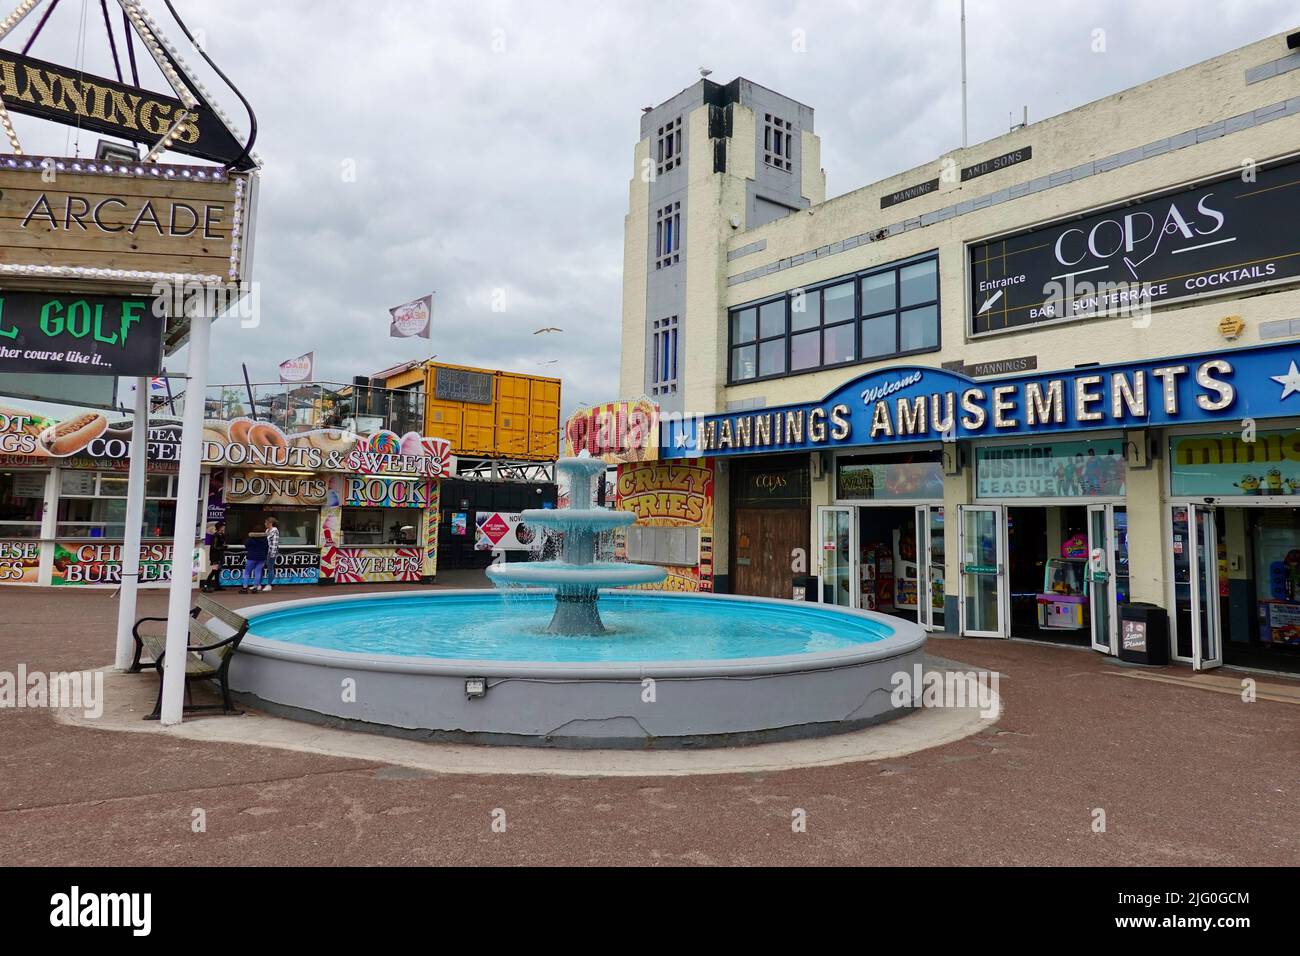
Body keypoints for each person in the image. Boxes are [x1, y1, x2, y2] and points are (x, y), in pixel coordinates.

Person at [240, 523, 268, 594]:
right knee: (258, 572)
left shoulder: (251, 539)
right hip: (261, 557)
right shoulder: (265, 539)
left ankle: (244, 588)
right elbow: (266, 548)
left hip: (251, 557)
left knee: (247, 572)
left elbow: (246, 545)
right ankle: (255, 588)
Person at [202, 521, 227, 593]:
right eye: (223, 526)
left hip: (219, 555)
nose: (224, 527)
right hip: (215, 556)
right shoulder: (215, 535)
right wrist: (223, 547)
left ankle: (217, 585)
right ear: (219, 527)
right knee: (214, 570)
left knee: (217, 571)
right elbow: (214, 547)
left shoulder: (221, 535)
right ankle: (206, 584)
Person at [259, 516, 280, 592]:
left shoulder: (275, 531)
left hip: (271, 552)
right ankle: (258, 584)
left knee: (270, 568)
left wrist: (272, 554)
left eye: (266, 522)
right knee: (261, 567)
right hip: (265, 552)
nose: (265, 524)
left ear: (270, 523)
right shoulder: (267, 530)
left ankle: (269, 585)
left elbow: (275, 543)